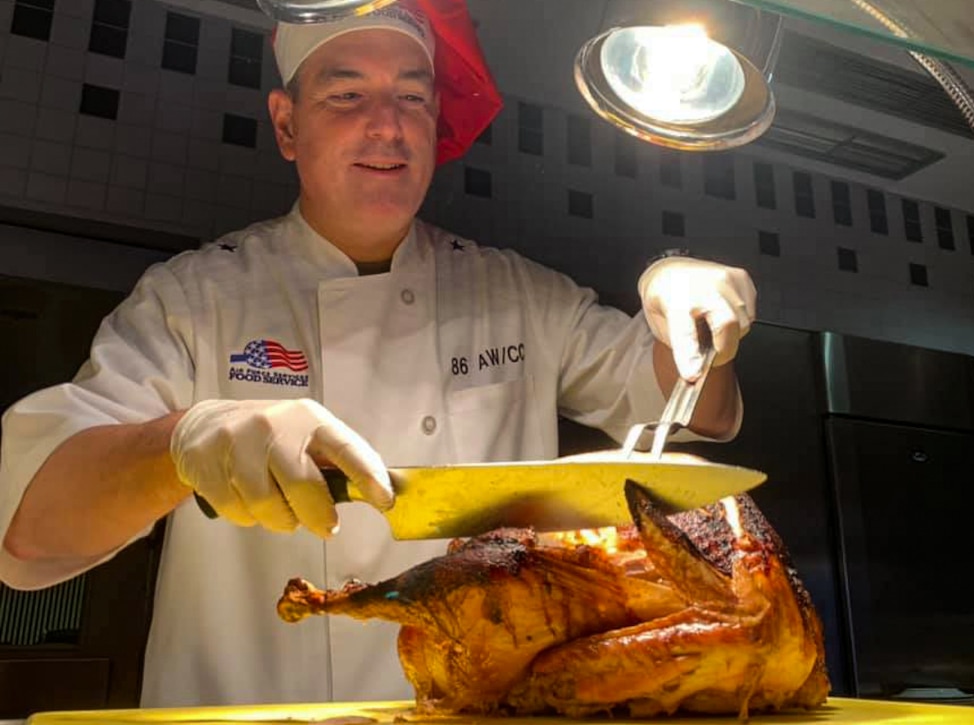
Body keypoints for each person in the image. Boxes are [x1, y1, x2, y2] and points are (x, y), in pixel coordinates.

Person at [0, 0, 756, 709]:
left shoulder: (519, 295)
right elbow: (30, 526)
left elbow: (694, 406)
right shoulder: (193, 298)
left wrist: (687, 302)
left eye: (412, 97)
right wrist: (178, 444)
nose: (387, 127)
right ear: (287, 124)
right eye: (346, 95)